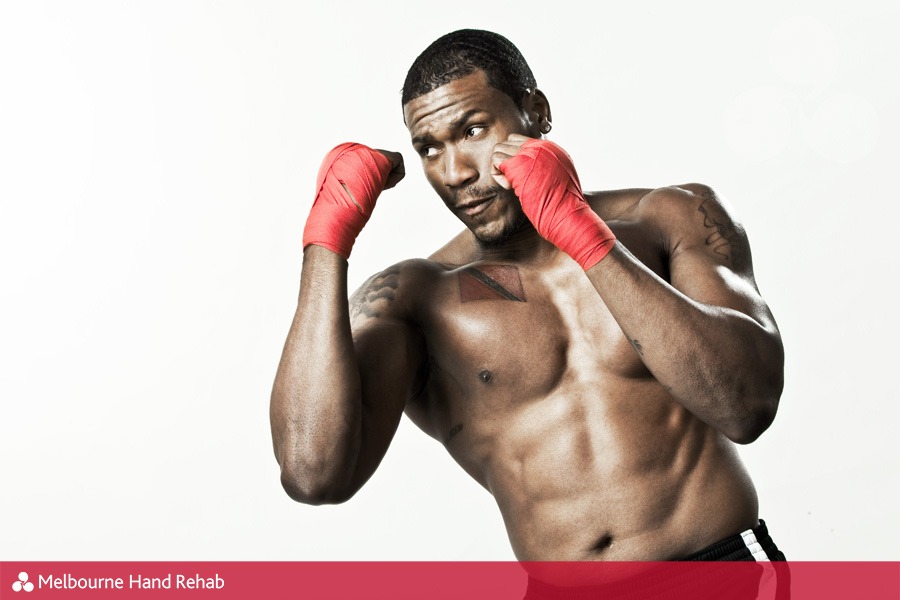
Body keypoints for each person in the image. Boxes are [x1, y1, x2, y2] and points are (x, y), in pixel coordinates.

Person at [270, 28, 788, 595]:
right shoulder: (419, 297)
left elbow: (746, 407)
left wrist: (580, 234)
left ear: (534, 112)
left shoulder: (669, 219)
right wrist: (326, 242)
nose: (455, 172)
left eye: (472, 130)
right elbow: (312, 472)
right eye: (429, 148)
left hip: (721, 571)